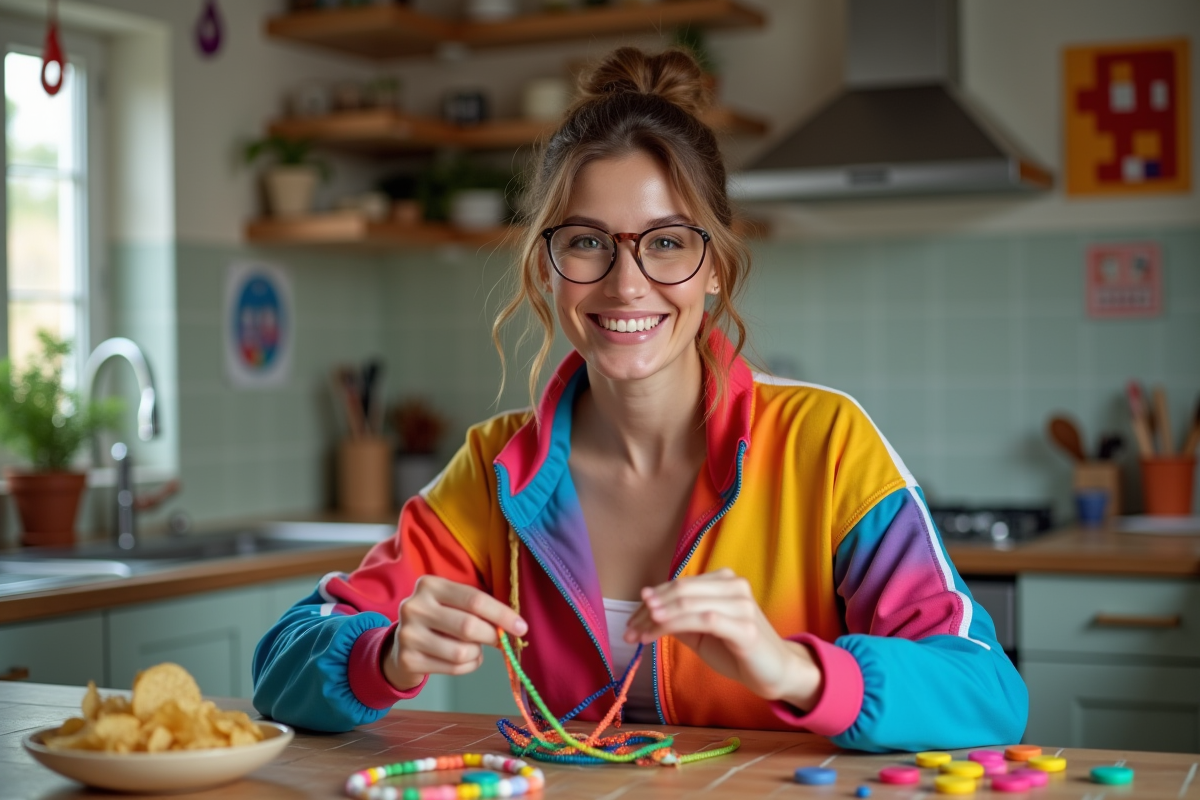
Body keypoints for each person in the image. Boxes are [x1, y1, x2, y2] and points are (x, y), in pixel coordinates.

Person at [253, 47, 1027, 753]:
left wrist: (795, 671)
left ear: (715, 264)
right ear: (547, 267)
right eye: (587, 241)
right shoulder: (496, 468)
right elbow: (280, 669)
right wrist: (379, 656)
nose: (627, 284)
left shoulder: (826, 443)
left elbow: (986, 689)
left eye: (666, 242)